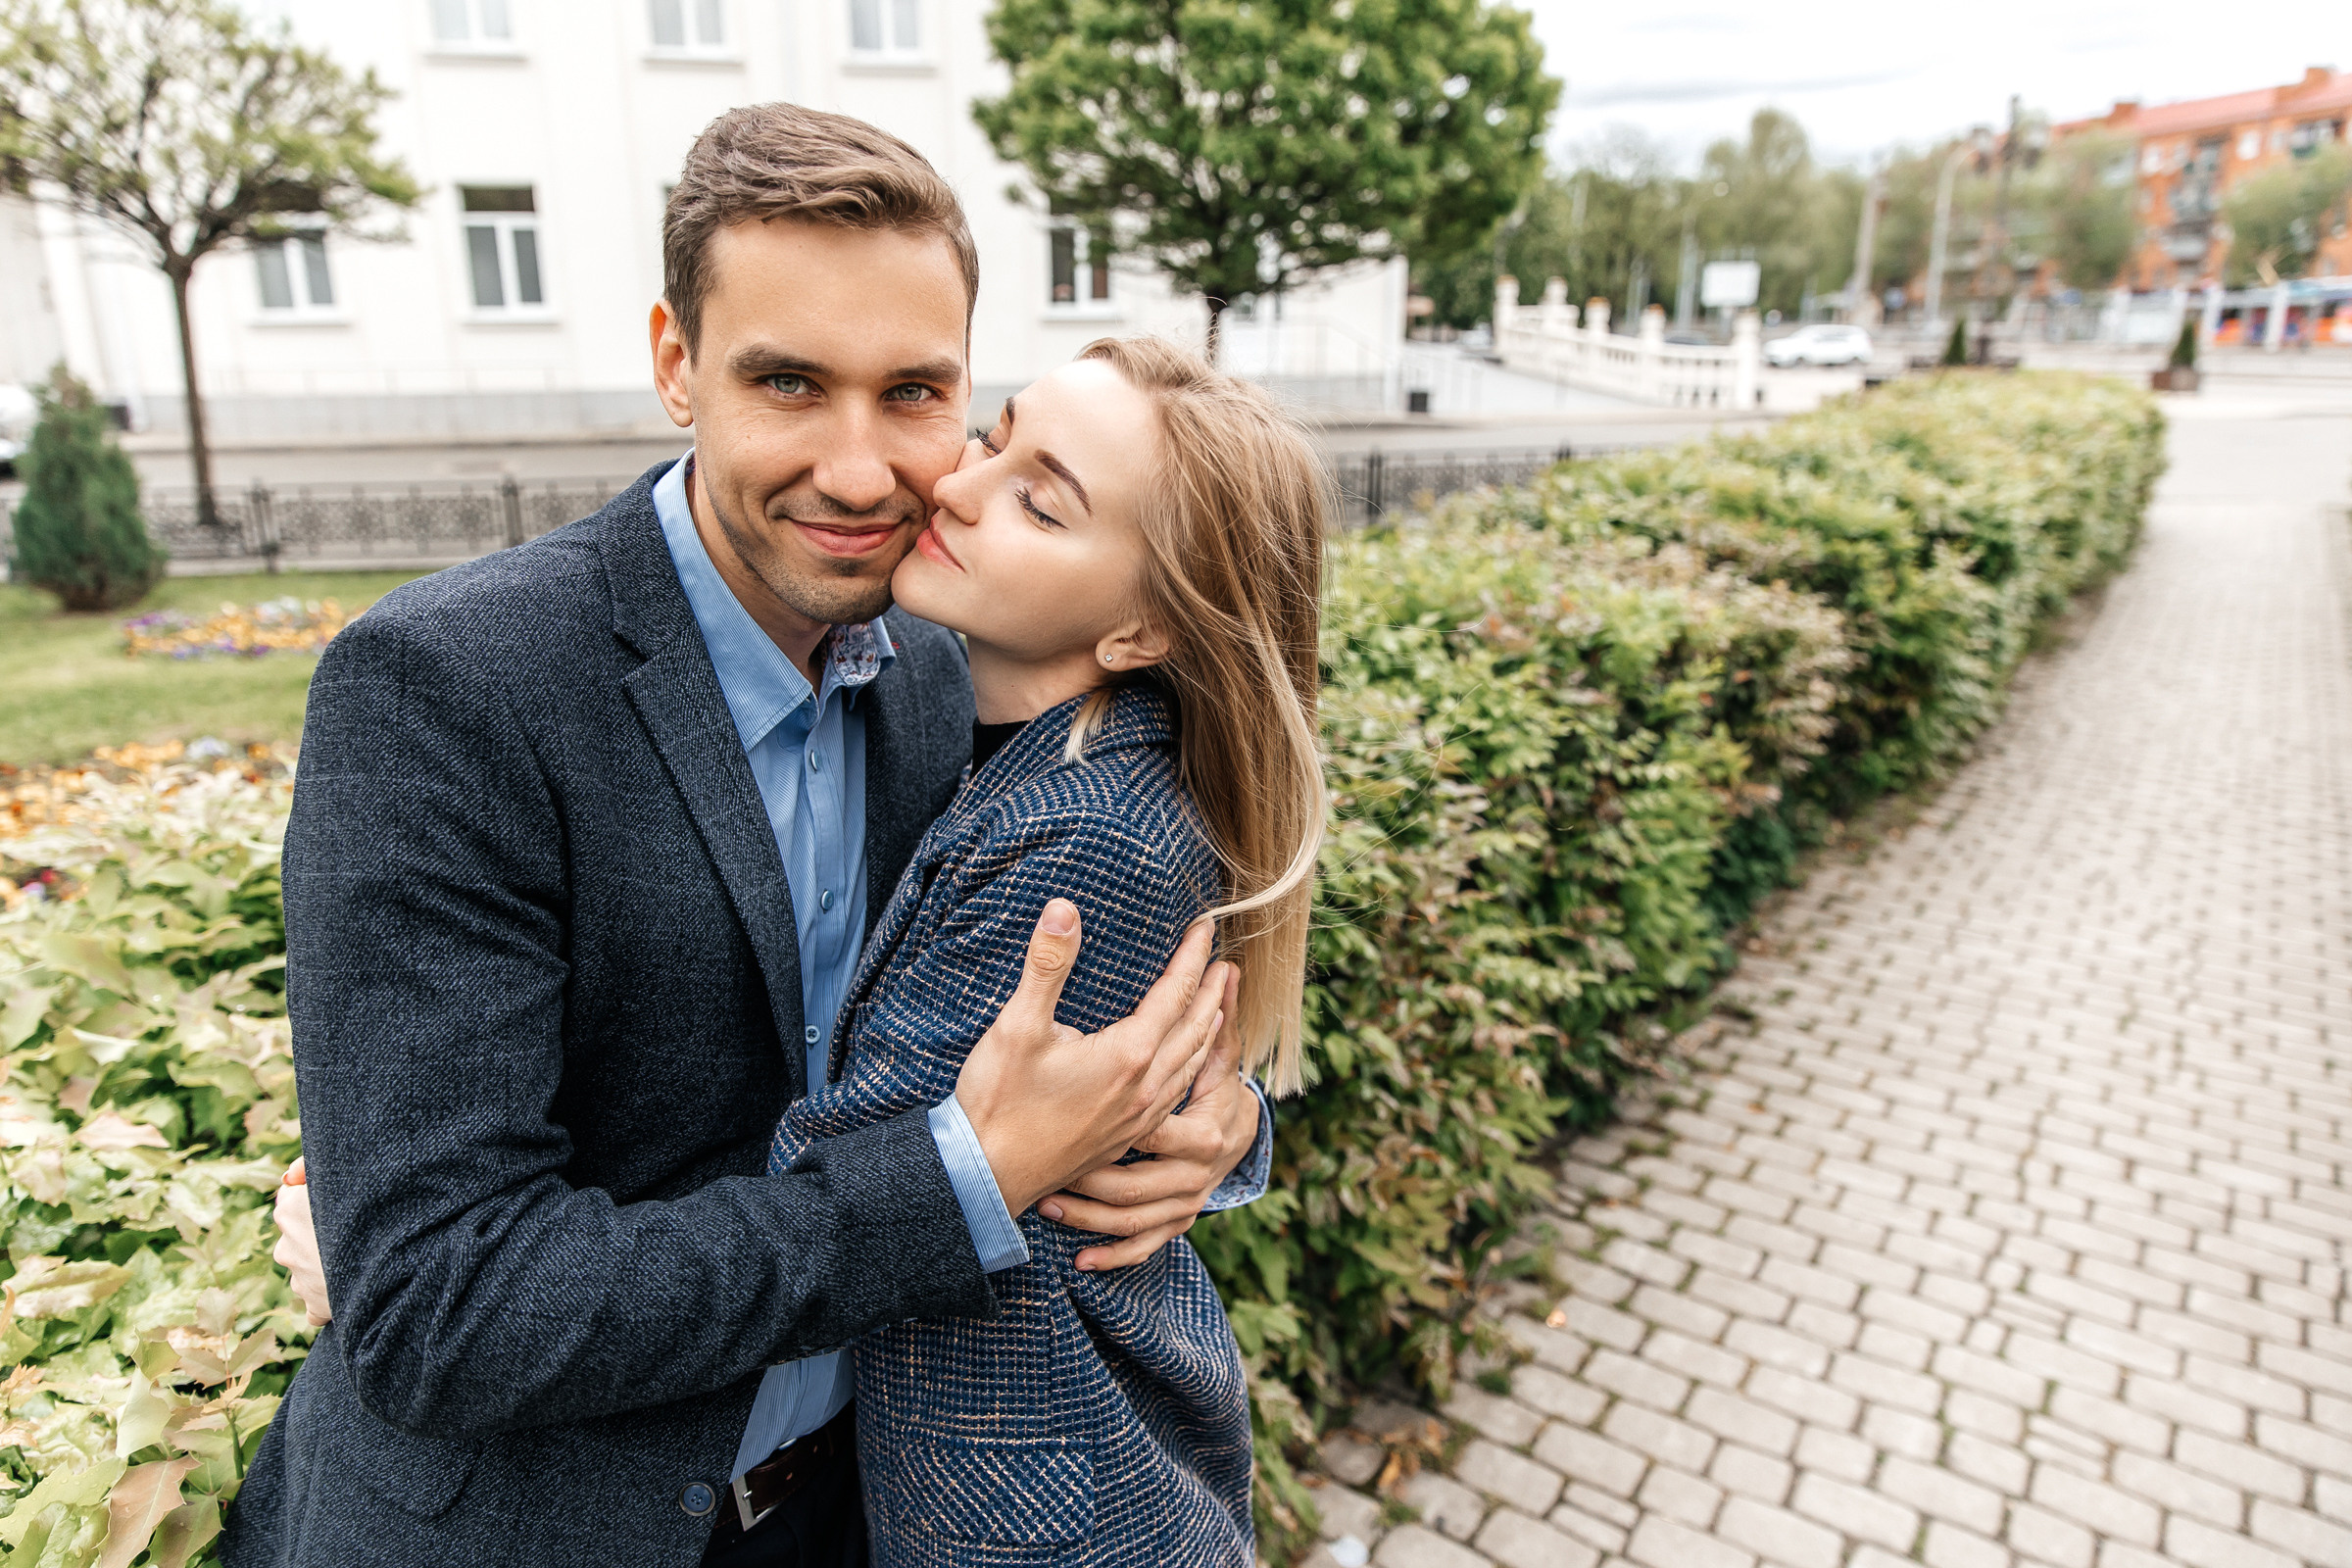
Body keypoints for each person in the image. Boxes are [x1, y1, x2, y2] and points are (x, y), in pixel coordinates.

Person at [229, 104, 1271, 1568]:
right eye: (788, 381)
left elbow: (1080, 930)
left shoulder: (936, 649)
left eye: (915, 394)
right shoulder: (449, 689)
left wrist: (1210, 1124)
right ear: (676, 364)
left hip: (860, 1508)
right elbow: (440, 1309)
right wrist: (968, 1176)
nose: (861, 473)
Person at [753, 336, 1324, 1567]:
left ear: (1140, 627)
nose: (957, 484)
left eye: (1039, 500)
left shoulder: (1080, 840)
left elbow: (861, 1182)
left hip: (1040, 1504)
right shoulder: (1023, 739)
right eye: (995, 436)